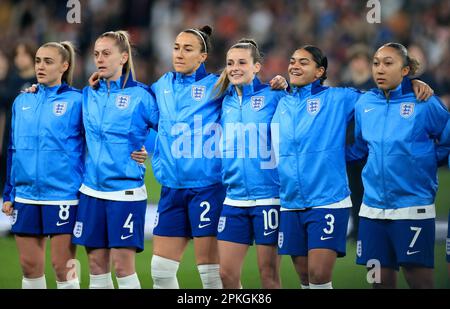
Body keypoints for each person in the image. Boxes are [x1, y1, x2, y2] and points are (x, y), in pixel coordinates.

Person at [271, 45, 434, 289]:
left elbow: (380, 98)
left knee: (318, 274)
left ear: (319, 72)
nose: (295, 65)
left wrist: (411, 85)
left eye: (304, 62)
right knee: (304, 275)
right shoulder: (280, 100)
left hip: (328, 198)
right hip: (290, 200)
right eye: (293, 61)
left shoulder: (338, 98)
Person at [146, 26, 287, 289]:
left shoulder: (218, 87)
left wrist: (279, 84)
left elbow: (251, 91)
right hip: (171, 189)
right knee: (160, 273)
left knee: (213, 275)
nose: (179, 53)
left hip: (207, 189)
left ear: (203, 56)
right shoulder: (161, 85)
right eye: (176, 47)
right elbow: (136, 110)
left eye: (188, 49)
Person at [347, 42, 449, 288]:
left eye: (388, 63)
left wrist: (422, 162)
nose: (380, 69)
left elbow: (446, 139)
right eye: (376, 63)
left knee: (420, 281)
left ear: (405, 70)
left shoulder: (424, 102)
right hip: (371, 210)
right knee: (379, 282)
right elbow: (361, 147)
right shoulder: (365, 104)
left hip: (411, 207)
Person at [72, 30, 158, 289]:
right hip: (91, 191)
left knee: (123, 268)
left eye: (106, 53)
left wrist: (151, 155)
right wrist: (33, 89)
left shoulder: (142, 96)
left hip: (125, 193)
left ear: (123, 57)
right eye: (97, 54)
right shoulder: (88, 94)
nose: (99, 59)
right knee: (97, 268)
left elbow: (169, 133)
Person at [2, 41, 82, 289]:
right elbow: (13, 149)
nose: (40, 66)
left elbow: (98, 143)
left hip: (63, 195)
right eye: (38, 60)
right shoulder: (22, 102)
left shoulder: (78, 101)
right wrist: (9, 192)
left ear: (64, 66)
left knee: (63, 267)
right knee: (29, 267)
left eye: (48, 61)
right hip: (26, 195)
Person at [214, 39, 286, 289]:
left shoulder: (273, 96)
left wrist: (286, 87)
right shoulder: (224, 100)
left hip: (267, 197)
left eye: (242, 62)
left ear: (257, 67)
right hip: (234, 199)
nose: (234, 67)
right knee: (226, 275)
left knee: (268, 276)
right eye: (230, 63)